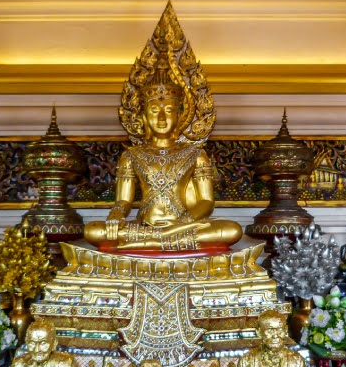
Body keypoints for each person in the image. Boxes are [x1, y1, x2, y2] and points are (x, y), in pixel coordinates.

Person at [84, 70, 241, 252]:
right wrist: (116, 216)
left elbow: (206, 201)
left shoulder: (196, 154)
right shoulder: (132, 155)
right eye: (154, 111)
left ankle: (152, 243)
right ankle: (161, 241)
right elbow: (123, 201)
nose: (161, 118)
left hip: (183, 227)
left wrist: (182, 223)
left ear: (179, 115)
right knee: (93, 231)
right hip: (144, 228)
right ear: (144, 116)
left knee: (231, 230)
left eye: (168, 110)